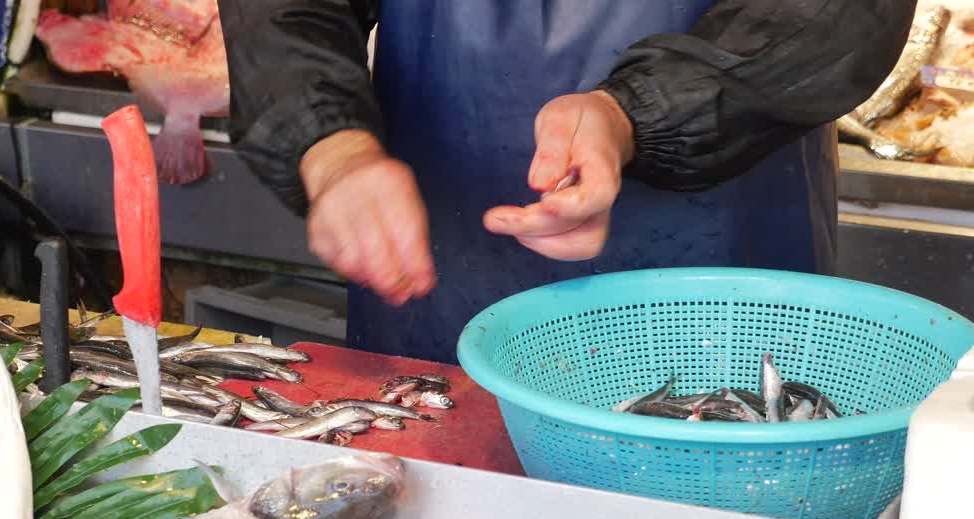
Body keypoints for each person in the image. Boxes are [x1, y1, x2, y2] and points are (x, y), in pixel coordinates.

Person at [216, 0, 916, 363]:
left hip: (719, 255)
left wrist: (637, 114)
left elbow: (840, 14)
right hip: (435, 255)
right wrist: (331, 146)